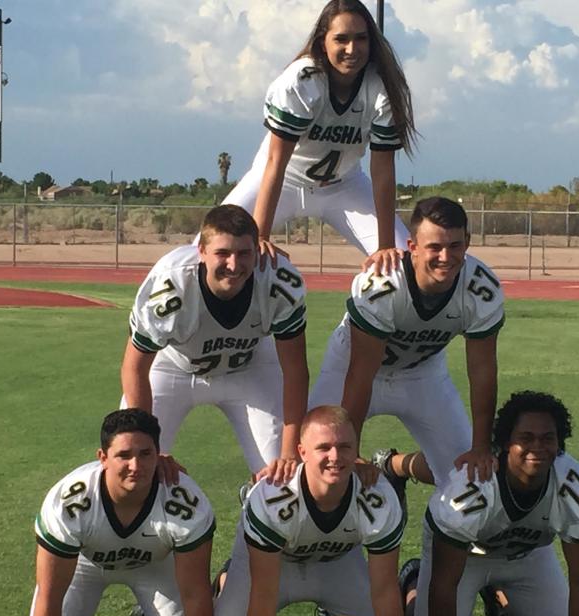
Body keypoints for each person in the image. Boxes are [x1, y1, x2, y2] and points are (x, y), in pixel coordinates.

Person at [383, 391, 579, 616]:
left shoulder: (572, 486)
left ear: (559, 442)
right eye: (525, 438)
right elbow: (445, 582)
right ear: (505, 443)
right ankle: (413, 582)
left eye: (547, 438)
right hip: (466, 556)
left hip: (527, 554)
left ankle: (501, 597)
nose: (537, 447)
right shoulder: (474, 487)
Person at [212, 405, 425, 616]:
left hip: (338, 562)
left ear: (356, 450)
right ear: (302, 452)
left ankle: (336, 605)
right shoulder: (273, 497)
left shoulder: (378, 494)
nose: (335, 457)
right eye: (323, 448)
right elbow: (263, 590)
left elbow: (385, 589)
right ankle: (227, 577)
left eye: (344, 447)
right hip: (277, 562)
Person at [307, 196, 504, 491]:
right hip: (350, 367)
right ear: (412, 247)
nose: (445, 256)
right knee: (316, 467)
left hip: (422, 373)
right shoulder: (384, 283)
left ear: (467, 242)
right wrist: (354, 452)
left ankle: (394, 466)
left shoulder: (480, 288)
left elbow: (483, 372)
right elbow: (361, 375)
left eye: (454, 246)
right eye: (434, 247)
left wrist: (480, 446)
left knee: (470, 479)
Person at [19, 409, 217, 616]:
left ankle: (159, 611)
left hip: (155, 562)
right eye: (124, 455)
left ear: (160, 454)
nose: (136, 465)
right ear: (102, 458)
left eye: (146, 453)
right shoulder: (70, 501)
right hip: (85, 563)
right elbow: (51, 592)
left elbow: (196, 591)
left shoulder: (183, 498)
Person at [211, 0, 416, 274]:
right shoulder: (301, 81)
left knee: (402, 264)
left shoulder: (381, 87)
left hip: (344, 184)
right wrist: (259, 236)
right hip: (282, 179)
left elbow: (382, 169)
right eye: (341, 39)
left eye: (361, 39)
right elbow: (275, 161)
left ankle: (363, 319)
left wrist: (385, 246)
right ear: (323, 43)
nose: (352, 49)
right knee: (206, 252)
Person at [122, 204, 310, 483]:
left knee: (285, 480)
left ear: (257, 250)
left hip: (249, 367)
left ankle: (255, 516)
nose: (233, 265)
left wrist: (289, 452)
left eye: (244, 253)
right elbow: (134, 368)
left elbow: (295, 370)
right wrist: (150, 445)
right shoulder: (171, 284)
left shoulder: (277, 282)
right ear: (201, 252)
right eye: (222, 253)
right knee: (133, 462)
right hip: (173, 368)